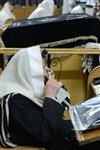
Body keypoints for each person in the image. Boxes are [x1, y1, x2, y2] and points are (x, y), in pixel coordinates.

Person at [0, 46, 100, 150]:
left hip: (61, 132)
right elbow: (45, 134)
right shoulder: (15, 100)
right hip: (57, 142)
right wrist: (50, 96)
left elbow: (65, 104)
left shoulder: (29, 89)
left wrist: (53, 87)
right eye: (42, 68)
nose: (47, 71)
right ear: (28, 71)